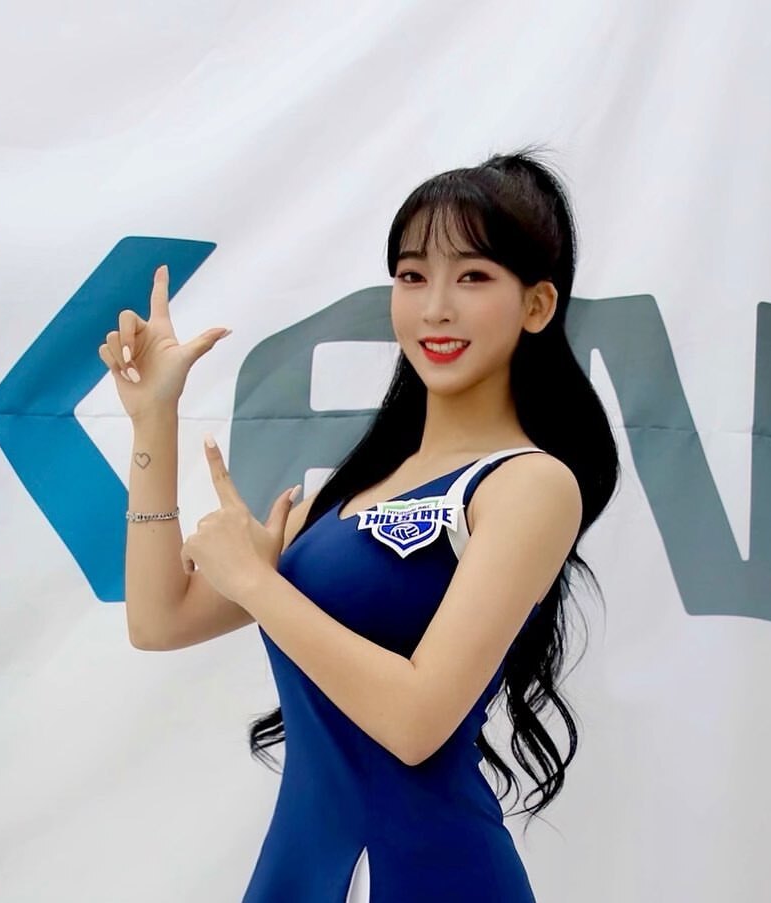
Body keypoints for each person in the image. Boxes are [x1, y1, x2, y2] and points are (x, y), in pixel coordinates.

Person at [101, 145, 619, 902]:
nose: (435, 307)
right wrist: (154, 418)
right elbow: (158, 620)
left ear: (537, 306)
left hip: (432, 876)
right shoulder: (345, 495)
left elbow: (416, 721)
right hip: (298, 871)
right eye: (412, 276)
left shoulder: (529, 484)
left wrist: (255, 582)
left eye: (473, 277)